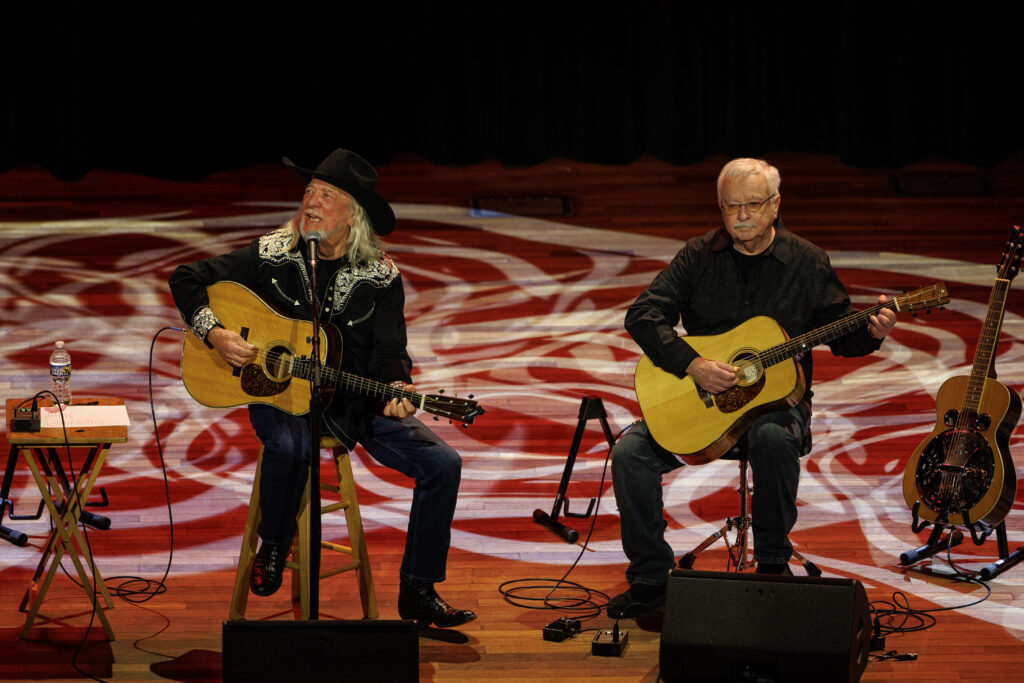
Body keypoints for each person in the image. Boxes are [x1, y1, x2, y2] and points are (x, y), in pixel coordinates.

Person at [168, 148, 475, 629]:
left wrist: (396, 387)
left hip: (353, 400)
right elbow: (185, 277)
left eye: (325, 195)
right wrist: (215, 334)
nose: (310, 201)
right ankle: (274, 543)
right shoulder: (272, 253)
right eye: (308, 191)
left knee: (443, 463)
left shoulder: (381, 277)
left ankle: (418, 586)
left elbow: (388, 352)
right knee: (291, 446)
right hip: (282, 396)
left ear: (351, 215)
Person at [607, 158, 897, 619]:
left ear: (776, 204)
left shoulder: (807, 262)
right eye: (731, 206)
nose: (742, 216)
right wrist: (693, 364)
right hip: (701, 404)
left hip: (776, 408)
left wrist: (873, 333)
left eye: (753, 204)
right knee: (629, 454)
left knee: (771, 438)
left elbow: (841, 335)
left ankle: (772, 568)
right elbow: (643, 315)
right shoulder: (697, 255)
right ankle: (649, 579)